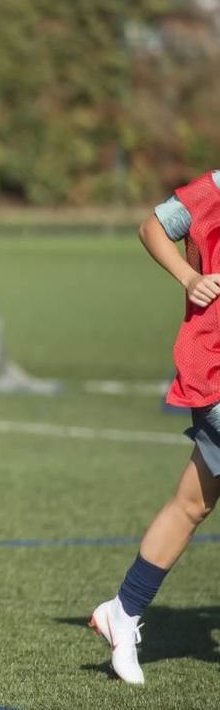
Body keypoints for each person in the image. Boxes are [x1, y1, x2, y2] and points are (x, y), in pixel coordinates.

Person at [90, 173, 220, 685]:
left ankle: (122, 611)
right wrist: (191, 278)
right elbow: (152, 227)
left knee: (193, 503)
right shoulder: (215, 189)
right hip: (213, 366)